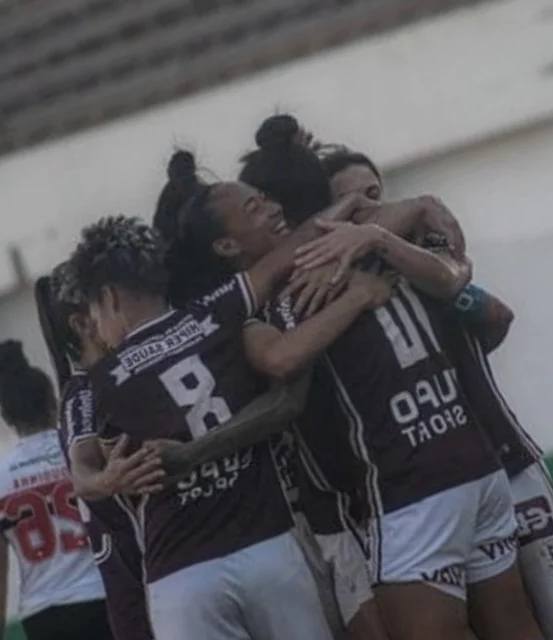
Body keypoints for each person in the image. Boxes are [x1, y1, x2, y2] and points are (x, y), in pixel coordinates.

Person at [233, 115, 543, 640]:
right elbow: (473, 294)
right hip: (476, 463)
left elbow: (282, 363)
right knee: (515, 627)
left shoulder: (294, 292)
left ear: (279, 214)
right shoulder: (394, 242)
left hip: (410, 487)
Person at [320, 143, 553, 640]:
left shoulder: (421, 262)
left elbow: (495, 314)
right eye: (353, 202)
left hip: (504, 465)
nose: (371, 208)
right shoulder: (343, 288)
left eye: (375, 194)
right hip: (445, 485)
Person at [66, 208, 397, 640]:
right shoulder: (216, 312)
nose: (98, 328)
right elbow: (292, 248)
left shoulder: (97, 381)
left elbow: (81, 475)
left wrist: (108, 478)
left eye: (94, 311)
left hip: (182, 574)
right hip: (270, 549)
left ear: (109, 297)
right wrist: (350, 203)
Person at [34, 266, 154, 640]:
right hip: (137, 582)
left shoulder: (119, 376)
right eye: (107, 301)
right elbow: (81, 473)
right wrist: (107, 480)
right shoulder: (83, 392)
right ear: (84, 324)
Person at [0, 340, 114, 640]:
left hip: (44, 616)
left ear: (7, 418)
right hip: (104, 594)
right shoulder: (86, 455)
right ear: (53, 401)